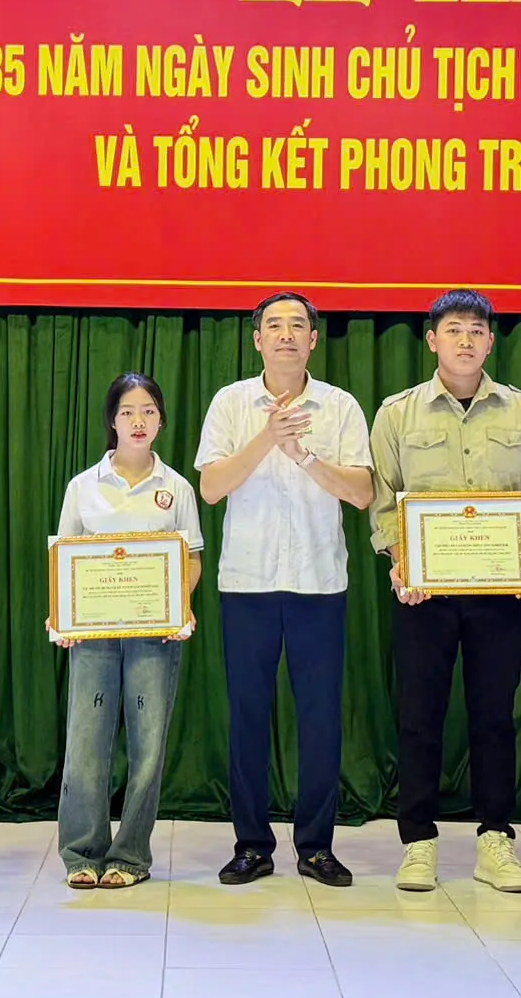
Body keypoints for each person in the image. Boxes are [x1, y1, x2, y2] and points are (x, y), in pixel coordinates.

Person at [368, 289, 521, 894]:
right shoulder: (397, 414)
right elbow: (384, 500)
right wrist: (402, 562)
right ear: (432, 340)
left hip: (502, 597)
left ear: (491, 342)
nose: (466, 340)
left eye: (477, 330)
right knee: (419, 717)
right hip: (422, 596)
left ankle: (496, 839)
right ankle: (418, 843)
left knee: (494, 717)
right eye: (454, 329)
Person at [196, 291, 374, 887]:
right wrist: (268, 437)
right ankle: (252, 845)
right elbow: (211, 488)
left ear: (314, 340)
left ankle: (316, 846)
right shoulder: (230, 403)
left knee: (321, 719)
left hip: (319, 584)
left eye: (298, 325)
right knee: (248, 716)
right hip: (247, 584)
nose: (287, 334)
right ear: (257, 340)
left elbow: (362, 493)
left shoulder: (340, 406)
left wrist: (303, 455)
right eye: (274, 325)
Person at [50, 373, 204, 889]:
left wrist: (179, 605)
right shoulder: (83, 486)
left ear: (161, 421)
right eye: (127, 412)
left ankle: (130, 856)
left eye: (148, 412)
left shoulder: (176, 487)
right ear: (112, 421)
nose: (138, 421)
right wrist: (62, 614)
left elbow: (192, 558)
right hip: (93, 637)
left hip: (155, 637)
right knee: (86, 746)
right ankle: (81, 853)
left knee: (149, 748)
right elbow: (64, 558)